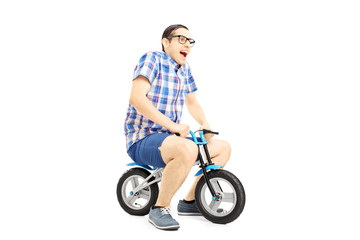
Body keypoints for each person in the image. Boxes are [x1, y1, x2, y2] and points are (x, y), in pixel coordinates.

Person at [124, 24, 231, 230]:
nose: (188, 45)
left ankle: (190, 202)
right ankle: (159, 208)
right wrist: (173, 125)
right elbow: (136, 98)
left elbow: (191, 102)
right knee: (187, 148)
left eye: (190, 41)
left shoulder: (185, 69)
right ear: (166, 42)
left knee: (222, 148)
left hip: (171, 139)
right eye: (182, 39)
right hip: (142, 138)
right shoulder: (153, 58)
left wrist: (205, 124)